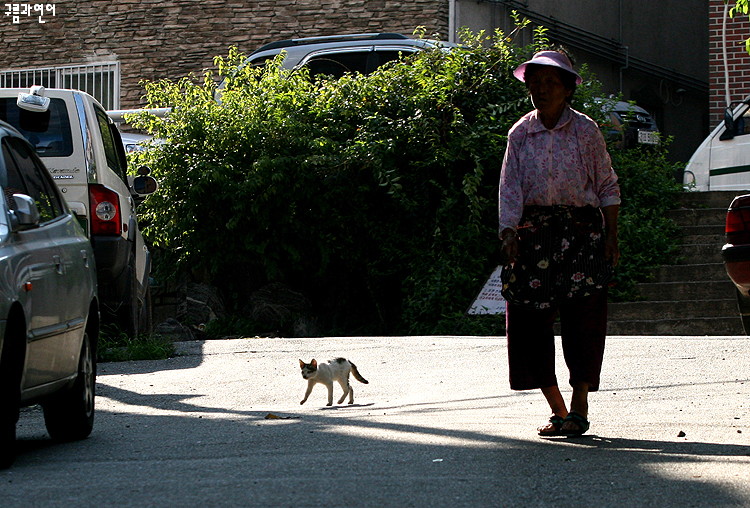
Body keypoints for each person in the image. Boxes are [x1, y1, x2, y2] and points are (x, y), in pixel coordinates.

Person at [498, 50, 621, 437]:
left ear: (568, 89)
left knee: (583, 319)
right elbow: (509, 188)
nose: (541, 90)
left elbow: (606, 184)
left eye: (551, 83)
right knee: (526, 321)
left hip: (581, 232)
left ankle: (580, 405)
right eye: (535, 83)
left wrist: (611, 235)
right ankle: (557, 409)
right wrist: (508, 232)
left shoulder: (585, 131)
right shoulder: (520, 133)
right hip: (532, 234)